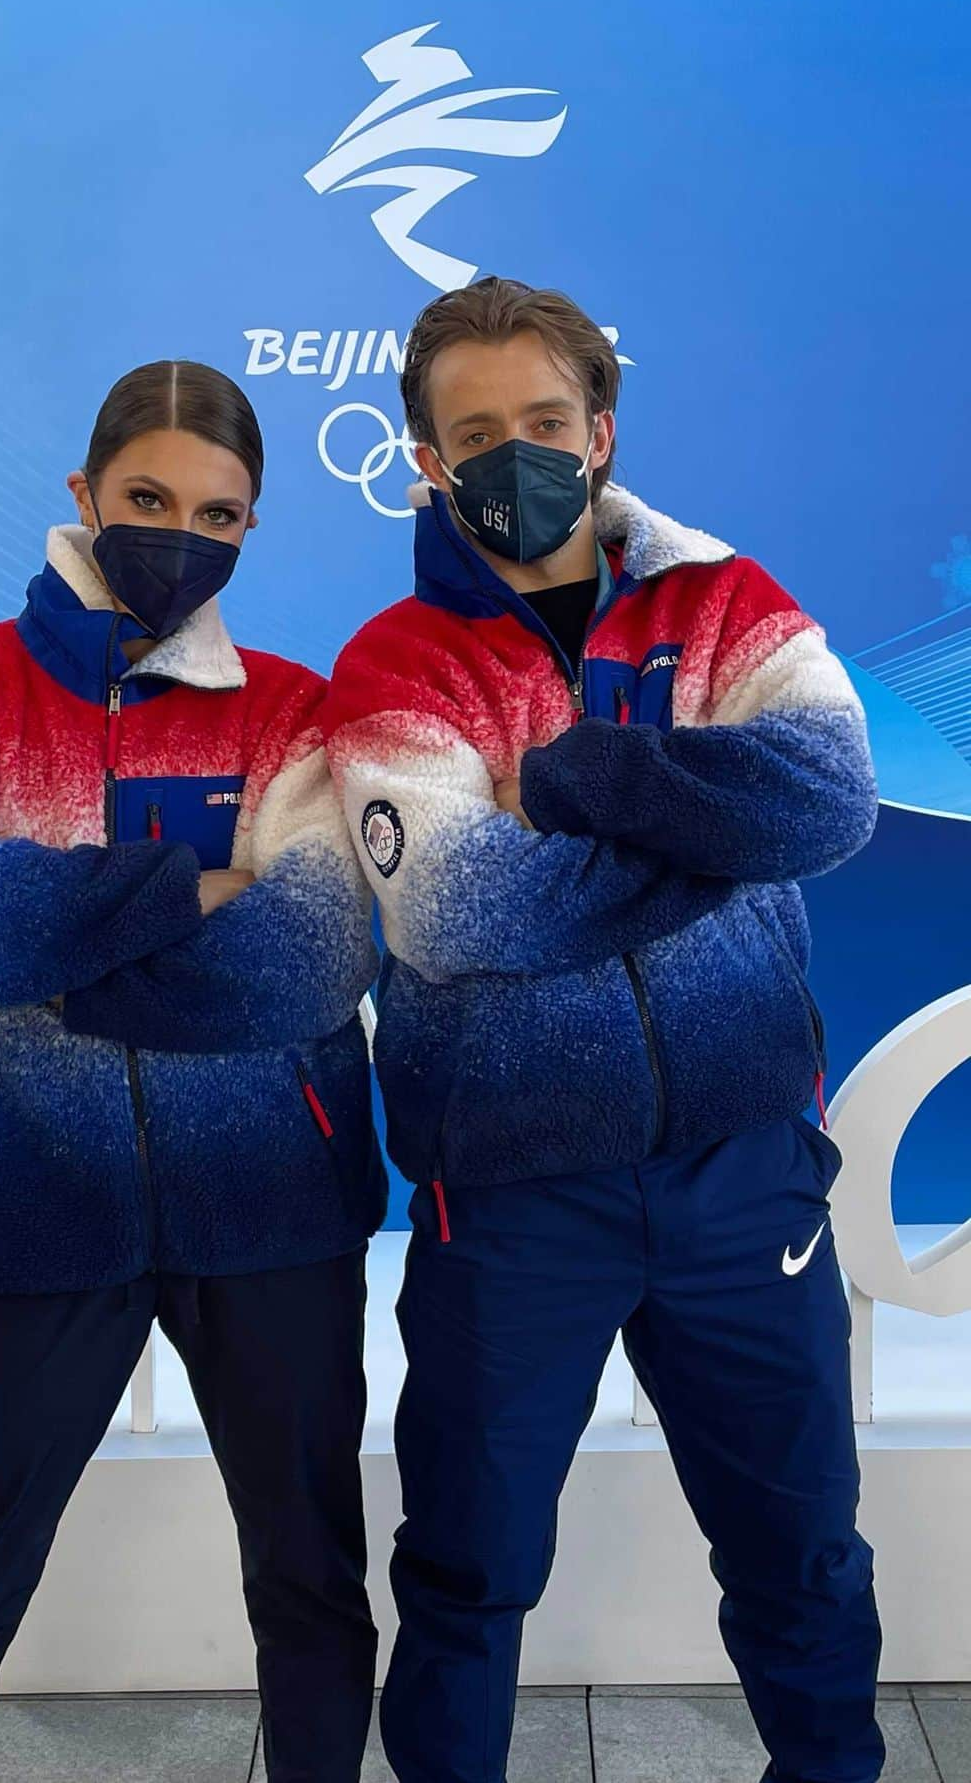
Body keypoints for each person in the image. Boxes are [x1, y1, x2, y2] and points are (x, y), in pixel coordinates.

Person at [324, 279, 885, 1783]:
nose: (520, 454)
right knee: (465, 1571)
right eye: (477, 432)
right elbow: (453, 911)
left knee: (803, 1556)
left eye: (548, 423)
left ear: (602, 429)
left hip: (743, 1172)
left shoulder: (725, 601)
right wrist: (710, 823)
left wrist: (570, 780)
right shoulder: (394, 665)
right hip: (509, 1197)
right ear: (428, 463)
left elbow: (828, 800)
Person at [0, 360, 386, 1783]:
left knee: (309, 1577)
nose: (184, 533)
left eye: (221, 513)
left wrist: (55, 928)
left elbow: (308, 963)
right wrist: (200, 885)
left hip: (276, 1213)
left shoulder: (293, 710)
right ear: (84, 496)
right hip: (33, 1208)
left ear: (252, 527)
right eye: (151, 499)